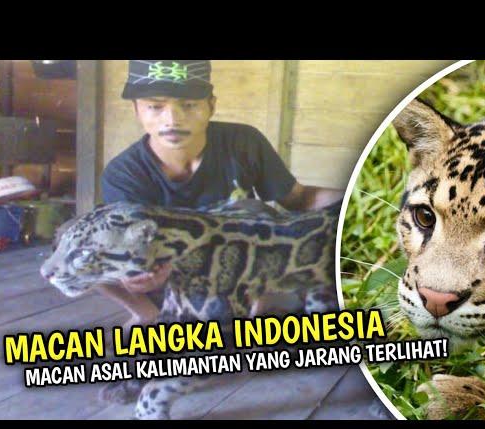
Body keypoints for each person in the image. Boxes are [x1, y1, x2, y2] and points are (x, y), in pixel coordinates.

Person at [98, 60, 343, 329]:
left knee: (254, 212)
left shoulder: (243, 142)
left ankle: (259, 303)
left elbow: (298, 199)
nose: (172, 119)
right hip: (170, 269)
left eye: (189, 105)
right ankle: (147, 313)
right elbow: (130, 249)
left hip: (237, 264)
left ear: (210, 106)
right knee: (76, 246)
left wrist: (350, 199)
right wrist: (135, 275)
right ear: (137, 110)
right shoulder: (123, 174)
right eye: (155, 106)